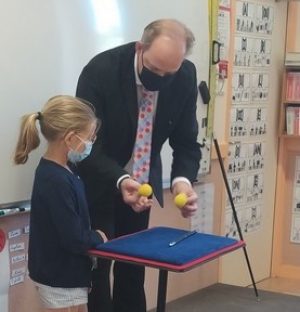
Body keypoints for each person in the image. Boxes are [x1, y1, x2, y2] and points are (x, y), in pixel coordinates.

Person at [76, 19, 202, 312]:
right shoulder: (101, 72)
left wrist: (182, 181)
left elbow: (186, 140)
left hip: (141, 187)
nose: (161, 78)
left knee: (134, 269)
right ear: (139, 48)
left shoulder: (184, 76)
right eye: (155, 69)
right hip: (100, 183)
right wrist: (121, 180)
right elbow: (87, 146)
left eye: (169, 72)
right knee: (97, 269)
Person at [13, 95, 108, 312]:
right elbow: (73, 238)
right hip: (60, 277)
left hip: (66, 273)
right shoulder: (55, 179)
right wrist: (97, 237)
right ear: (70, 139)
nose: (90, 144)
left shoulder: (63, 172)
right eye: (89, 138)